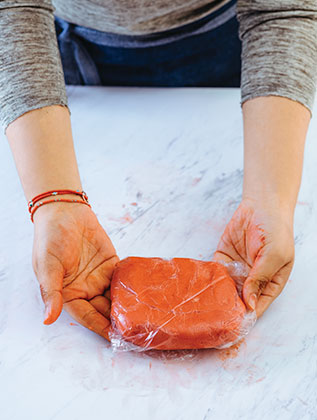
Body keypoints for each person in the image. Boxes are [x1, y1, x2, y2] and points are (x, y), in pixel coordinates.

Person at [1, 0, 316, 340]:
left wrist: (270, 202)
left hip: (229, 44)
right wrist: (56, 202)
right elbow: (12, 7)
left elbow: (280, 9)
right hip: (59, 52)